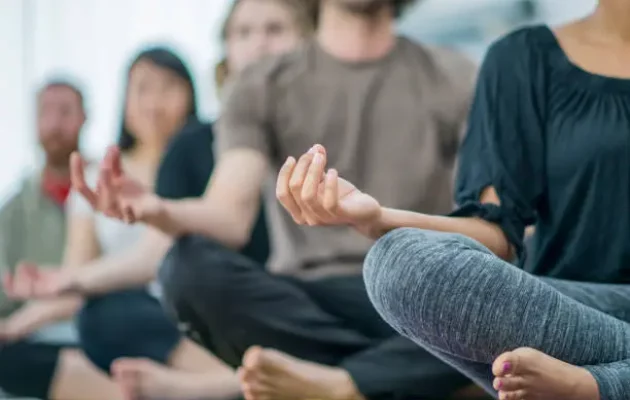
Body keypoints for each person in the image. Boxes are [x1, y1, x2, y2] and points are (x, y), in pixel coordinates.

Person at [68, 1, 484, 399]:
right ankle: (400, 374)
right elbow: (230, 215)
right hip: (306, 302)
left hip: (418, 290)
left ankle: (338, 383)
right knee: (188, 269)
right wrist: (160, 210)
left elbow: (489, 222)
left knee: (506, 290)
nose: (258, 39)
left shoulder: (456, 76)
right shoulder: (259, 84)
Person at [278, 1, 630, 400]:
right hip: (568, 313)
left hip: (562, 354)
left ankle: (594, 385)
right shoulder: (521, 58)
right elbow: (496, 233)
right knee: (399, 263)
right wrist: (375, 217)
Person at [6, 1, 318, 399]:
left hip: (288, 301)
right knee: (121, 306)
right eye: (243, 33)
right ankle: (232, 384)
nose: (259, 44)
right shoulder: (193, 147)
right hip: (203, 309)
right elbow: (181, 242)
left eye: (275, 29)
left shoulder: (324, 124)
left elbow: (226, 223)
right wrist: (59, 287)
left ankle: (217, 386)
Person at [0, 79, 122, 400]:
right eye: (45, 113)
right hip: (35, 339)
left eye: (65, 112)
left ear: (85, 117)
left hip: (105, 331)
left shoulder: (112, 190)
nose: (54, 124)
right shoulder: (12, 212)